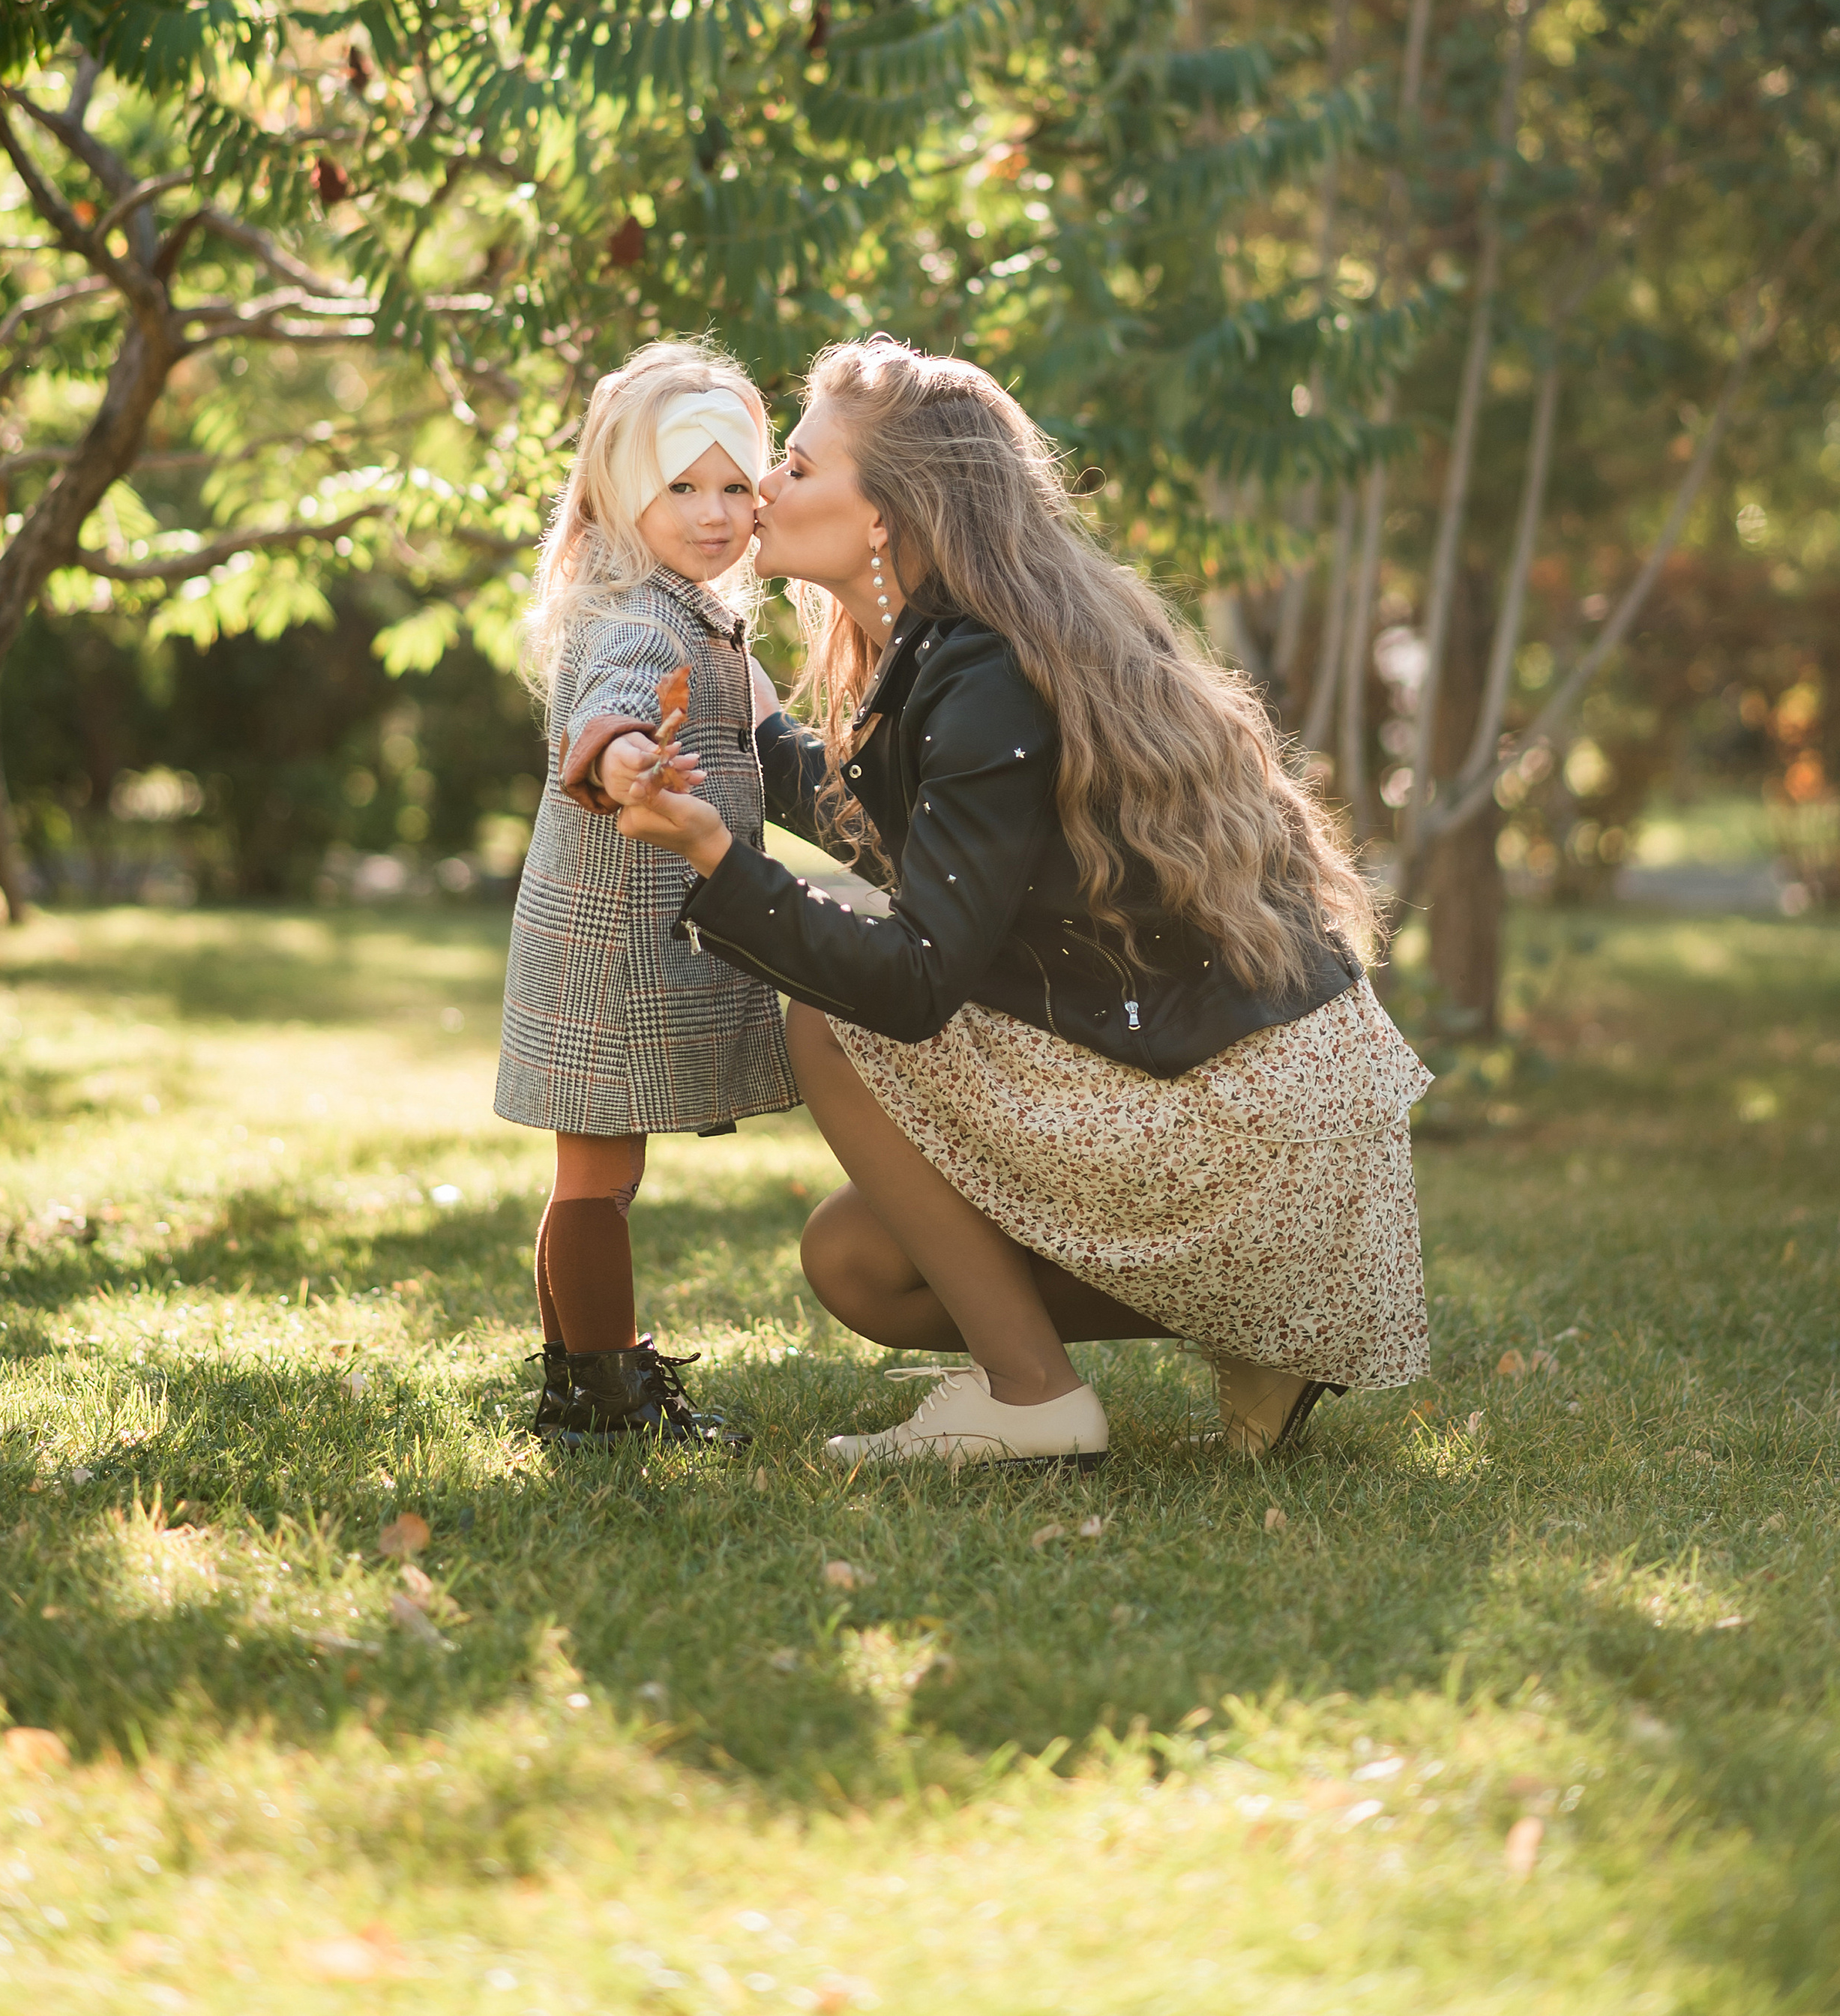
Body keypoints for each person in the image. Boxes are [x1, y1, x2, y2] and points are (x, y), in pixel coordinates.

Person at [618, 336, 1431, 1471]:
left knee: (831, 1023)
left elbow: (912, 983)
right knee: (858, 1262)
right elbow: (926, 839)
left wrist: (719, 857)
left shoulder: (985, 664)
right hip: (1251, 1105)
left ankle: (1034, 1398)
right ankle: (1263, 1327)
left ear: (888, 512)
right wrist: (754, 732)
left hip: (1244, 1115)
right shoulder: (968, 647)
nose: (762, 489)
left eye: (798, 466)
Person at [496, 337, 795, 1448]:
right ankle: (610, 1397)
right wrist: (624, 762)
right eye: (682, 487)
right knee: (598, 1176)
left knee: (592, 1169)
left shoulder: (676, 602)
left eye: (734, 484)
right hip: (610, 946)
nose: (716, 512)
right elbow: (608, 717)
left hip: (603, 935)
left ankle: (579, 1382)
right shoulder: (641, 618)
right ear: (625, 493)